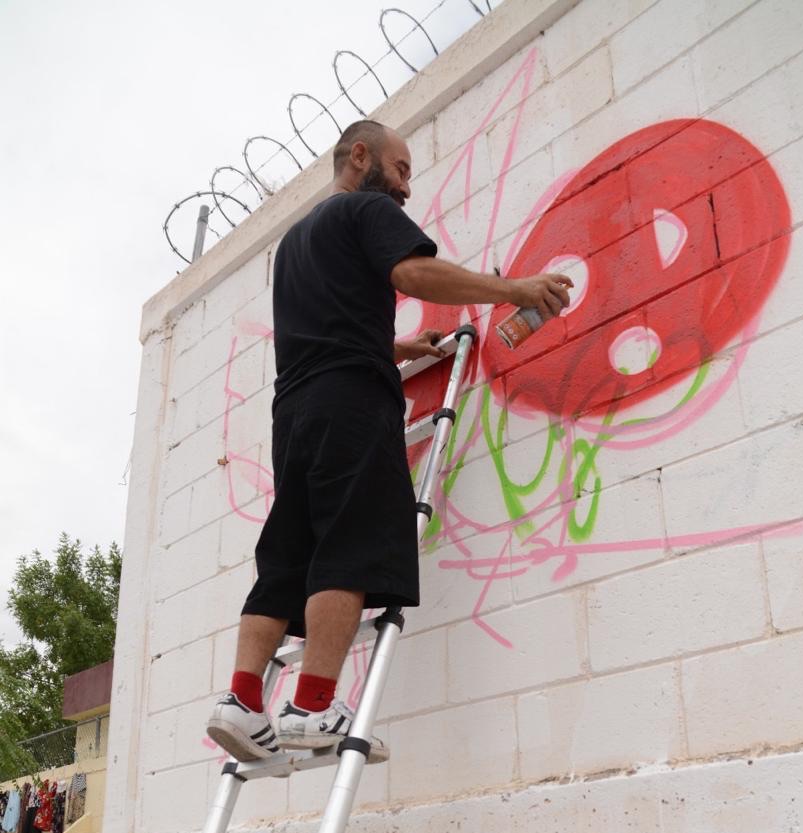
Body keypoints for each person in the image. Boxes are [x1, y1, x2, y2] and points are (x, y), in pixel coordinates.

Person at [207, 120, 571, 762]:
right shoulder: (368, 209)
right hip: (351, 404)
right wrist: (513, 288)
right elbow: (414, 273)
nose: (405, 187)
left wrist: (396, 346)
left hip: (293, 413)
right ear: (360, 156)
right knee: (351, 544)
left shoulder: (294, 243)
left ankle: (240, 702)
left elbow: (328, 321)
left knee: (288, 555)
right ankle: (313, 706)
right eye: (401, 169)